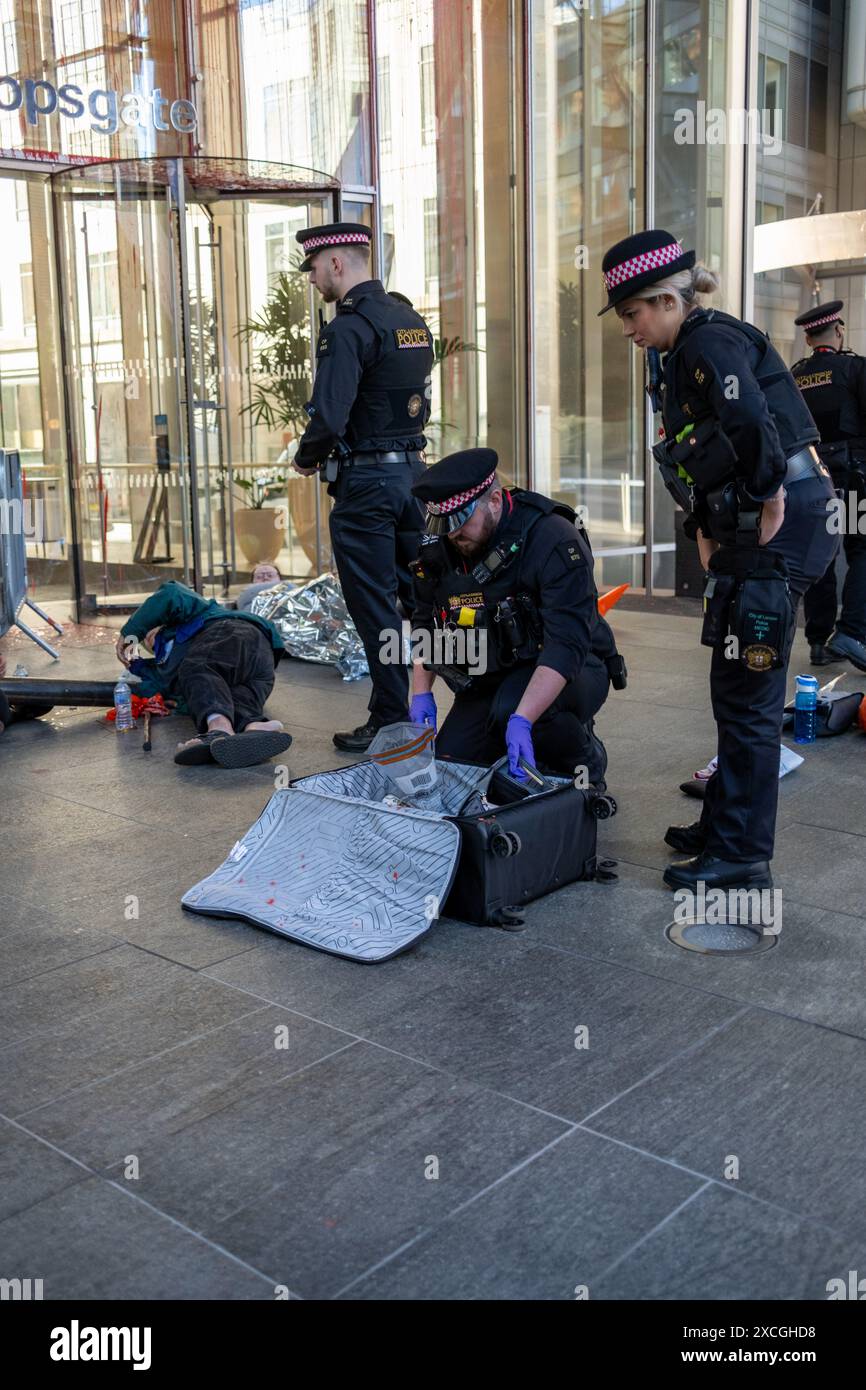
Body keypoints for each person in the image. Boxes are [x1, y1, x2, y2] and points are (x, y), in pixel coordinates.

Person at [604, 231, 838, 892]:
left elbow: (749, 422)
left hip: (782, 520)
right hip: (758, 523)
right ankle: (725, 824)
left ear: (670, 299)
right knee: (733, 686)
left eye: (633, 313)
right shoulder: (684, 352)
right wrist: (705, 528)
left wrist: (765, 498)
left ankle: (742, 856)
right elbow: (699, 454)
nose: (629, 328)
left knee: (750, 695)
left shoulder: (707, 342)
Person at [291, 221, 434, 752]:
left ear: (336, 263)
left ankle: (393, 717)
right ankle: (429, 700)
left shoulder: (347, 329)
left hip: (367, 484)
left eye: (314, 269)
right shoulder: (409, 319)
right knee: (418, 598)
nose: (311, 280)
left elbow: (329, 415)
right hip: (413, 479)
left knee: (374, 605)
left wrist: (307, 459)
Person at [407, 448, 624, 782]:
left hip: (575, 665)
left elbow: (566, 644)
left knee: (511, 711)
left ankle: (585, 762)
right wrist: (421, 692)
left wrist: (522, 719)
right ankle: (515, 734)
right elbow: (425, 619)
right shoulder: (441, 545)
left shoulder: (552, 537)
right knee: (453, 763)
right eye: (445, 525)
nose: (452, 534)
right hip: (493, 669)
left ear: (494, 501)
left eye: (462, 523)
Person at [117, 580, 291, 768]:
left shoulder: (197, 615)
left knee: (198, 667)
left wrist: (132, 632)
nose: (149, 640)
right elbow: (185, 693)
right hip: (257, 670)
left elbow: (171, 593)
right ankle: (253, 727)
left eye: (151, 632)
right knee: (235, 699)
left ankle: (219, 728)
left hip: (234, 632)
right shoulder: (167, 665)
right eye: (146, 642)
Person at [791, 301, 866, 670]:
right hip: (852, 479)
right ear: (838, 331)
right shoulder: (855, 368)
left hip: (809, 482)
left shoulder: (794, 376)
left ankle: (819, 642)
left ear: (807, 337)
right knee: (863, 551)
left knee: (819, 557)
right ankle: (851, 632)